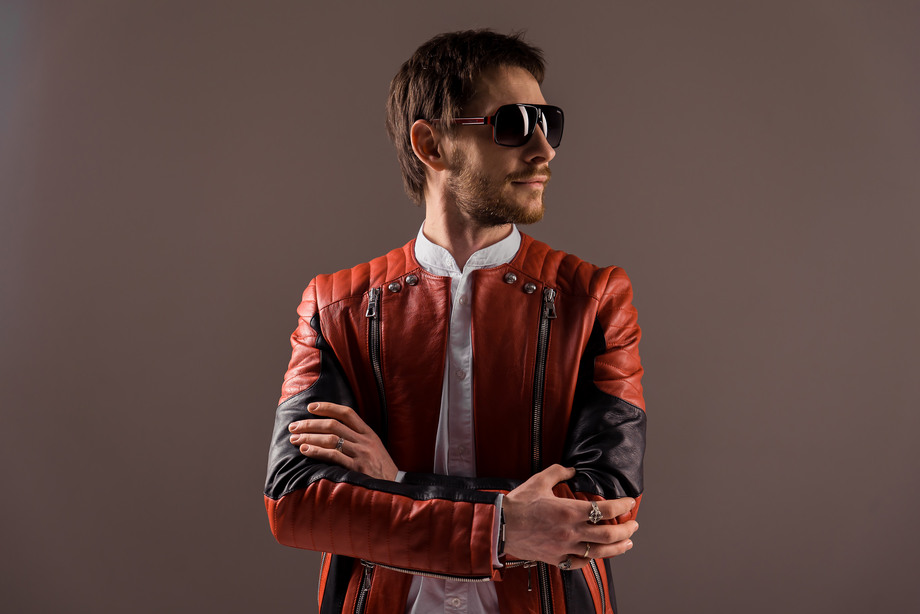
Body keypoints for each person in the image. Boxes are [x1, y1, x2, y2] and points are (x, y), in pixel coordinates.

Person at [264, 30, 646, 614]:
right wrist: (503, 525)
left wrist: (395, 484)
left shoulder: (594, 300)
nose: (544, 149)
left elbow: (605, 507)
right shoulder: (334, 307)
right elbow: (296, 502)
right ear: (432, 145)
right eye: (514, 124)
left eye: (550, 124)